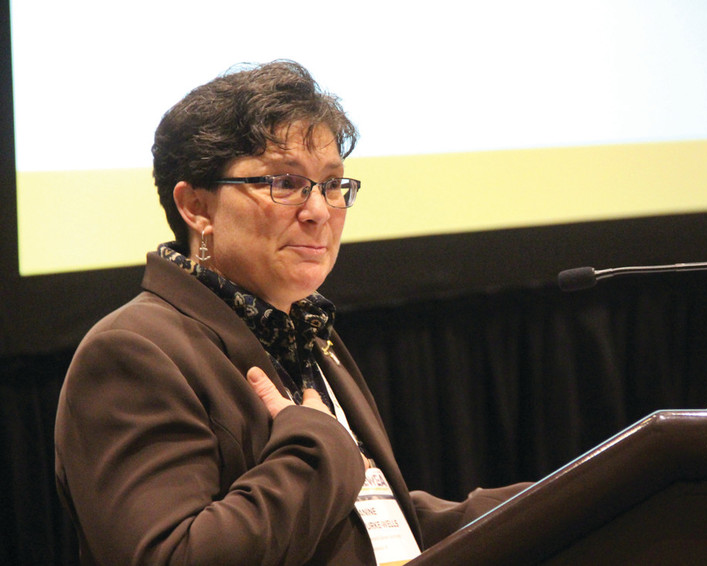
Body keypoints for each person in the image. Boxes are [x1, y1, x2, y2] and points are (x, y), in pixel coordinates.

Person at [54, 60, 526, 566]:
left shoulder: (302, 333)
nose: (319, 210)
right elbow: (175, 556)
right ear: (196, 206)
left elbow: (358, 521)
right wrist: (317, 446)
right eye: (285, 182)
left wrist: (548, 497)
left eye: (331, 184)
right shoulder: (132, 352)